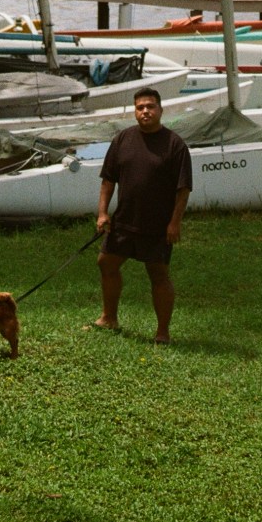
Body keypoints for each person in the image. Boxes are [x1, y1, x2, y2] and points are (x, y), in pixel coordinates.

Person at [94, 87, 193, 345]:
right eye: (140, 107)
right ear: (134, 111)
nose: (145, 111)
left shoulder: (175, 145)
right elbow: (108, 180)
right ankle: (109, 318)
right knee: (106, 263)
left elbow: (183, 190)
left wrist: (174, 222)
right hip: (124, 221)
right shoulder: (122, 140)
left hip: (158, 226)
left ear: (160, 110)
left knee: (158, 274)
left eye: (150, 106)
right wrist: (103, 213)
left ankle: (162, 333)